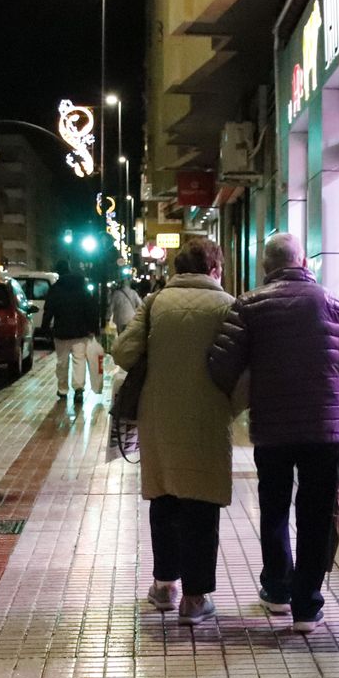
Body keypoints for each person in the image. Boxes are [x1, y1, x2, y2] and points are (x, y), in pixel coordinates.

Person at [208, 233, 339, 634]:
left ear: (266, 266)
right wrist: (332, 402)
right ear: (304, 261)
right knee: (316, 513)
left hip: (273, 429)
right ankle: (306, 607)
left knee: (275, 507)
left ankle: (278, 590)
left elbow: (221, 366)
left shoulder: (249, 306)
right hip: (323, 431)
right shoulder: (334, 304)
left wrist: (252, 393)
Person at [113, 238, 237, 625]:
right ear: (214, 269)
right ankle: (196, 600)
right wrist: (233, 406)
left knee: (164, 497)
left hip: (159, 415)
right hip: (209, 416)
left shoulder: (155, 303)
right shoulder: (228, 305)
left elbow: (123, 353)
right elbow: (242, 364)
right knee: (202, 502)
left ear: (177, 270)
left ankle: (165, 586)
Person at [41, 260, 103, 403]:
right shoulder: (82, 287)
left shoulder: (55, 288)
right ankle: (79, 389)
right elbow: (91, 308)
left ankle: (62, 390)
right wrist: (94, 328)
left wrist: (45, 328)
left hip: (61, 331)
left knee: (62, 362)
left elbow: (48, 310)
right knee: (79, 360)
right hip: (80, 332)